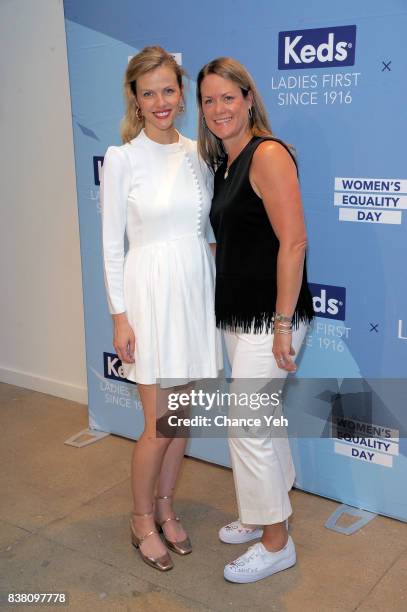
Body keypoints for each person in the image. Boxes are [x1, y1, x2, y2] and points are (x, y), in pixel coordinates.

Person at [101, 46, 222, 572]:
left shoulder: (200, 153)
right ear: (135, 99)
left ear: (182, 93)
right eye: (147, 92)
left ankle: (167, 508)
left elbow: (208, 232)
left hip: (193, 292)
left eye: (168, 90)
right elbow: (111, 245)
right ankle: (140, 518)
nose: (160, 101)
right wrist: (119, 315)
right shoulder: (123, 158)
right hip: (148, 297)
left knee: (180, 418)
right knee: (157, 424)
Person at [197, 57, 314, 583]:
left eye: (228, 97)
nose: (218, 108)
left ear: (248, 98)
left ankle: (276, 542)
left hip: (272, 317)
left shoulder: (268, 154)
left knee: (247, 426)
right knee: (258, 421)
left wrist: (284, 324)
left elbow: (294, 242)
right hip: (238, 315)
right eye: (208, 100)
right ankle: (266, 511)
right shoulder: (225, 160)